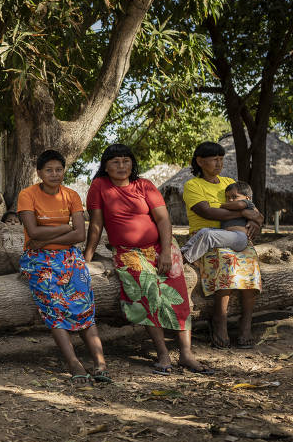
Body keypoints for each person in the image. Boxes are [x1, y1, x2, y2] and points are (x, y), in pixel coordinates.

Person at [84, 144, 211, 375]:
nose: (121, 166)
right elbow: (95, 225)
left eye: (126, 161)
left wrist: (165, 251)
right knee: (146, 294)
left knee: (178, 298)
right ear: (105, 165)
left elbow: (163, 220)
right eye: (115, 162)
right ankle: (162, 353)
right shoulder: (99, 186)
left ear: (132, 163)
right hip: (128, 253)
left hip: (161, 248)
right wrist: (87, 259)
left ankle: (186, 354)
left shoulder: (145, 185)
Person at [18, 150, 110, 384]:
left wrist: (49, 234)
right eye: (48, 170)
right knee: (54, 307)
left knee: (84, 306)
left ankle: (100, 362)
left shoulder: (71, 195)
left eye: (59, 169)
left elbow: (79, 234)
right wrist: (65, 228)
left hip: (70, 256)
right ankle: (73, 362)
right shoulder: (27, 195)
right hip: (38, 258)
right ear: (39, 173)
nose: (54, 174)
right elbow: (33, 234)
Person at [183, 141, 263, 349]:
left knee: (251, 261)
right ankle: (220, 319)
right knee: (226, 260)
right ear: (200, 161)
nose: (219, 162)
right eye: (214, 158)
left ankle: (246, 321)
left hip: (234, 235)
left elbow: (253, 210)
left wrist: (253, 220)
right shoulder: (193, 185)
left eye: (221, 158)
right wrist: (243, 213)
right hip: (207, 239)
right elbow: (207, 212)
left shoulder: (229, 182)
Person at [180, 181, 255, 263]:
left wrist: (222, 205)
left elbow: (240, 205)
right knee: (204, 230)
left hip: (240, 237)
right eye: (227, 197)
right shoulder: (232, 208)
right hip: (226, 233)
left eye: (234, 197)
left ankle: (185, 259)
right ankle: (182, 251)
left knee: (209, 235)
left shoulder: (248, 204)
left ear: (247, 198)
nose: (230, 200)